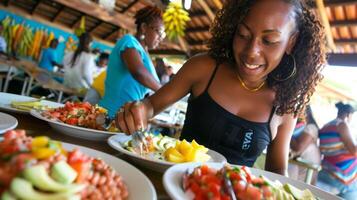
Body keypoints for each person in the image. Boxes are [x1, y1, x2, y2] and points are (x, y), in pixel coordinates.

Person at [116, 0, 326, 175]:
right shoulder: (204, 68)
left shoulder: (284, 106)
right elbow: (151, 106)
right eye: (243, 35)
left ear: (291, 42)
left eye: (269, 40)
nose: (251, 51)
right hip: (171, 185)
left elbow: (277, 172)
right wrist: (139, 110)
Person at [99, 5, 164, 117]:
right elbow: (138, 72)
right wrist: (164, 91)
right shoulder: (129, 41)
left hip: (127, 117)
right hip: (111, 114)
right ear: (144, 27)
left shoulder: (145, 55)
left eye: (163, 34)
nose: (161, 38)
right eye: (159, 32)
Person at [317, 102, 356, 199]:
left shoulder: (326, 126)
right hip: (341, 177)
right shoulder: (342, 125)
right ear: (348, 115)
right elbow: (354, 151)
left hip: (326, 171)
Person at [288, 105, 321, 184]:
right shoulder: (300, 127)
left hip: (307, 167)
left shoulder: (311, 127)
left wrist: (286, 133)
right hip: (301, 164)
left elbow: (298, 148)